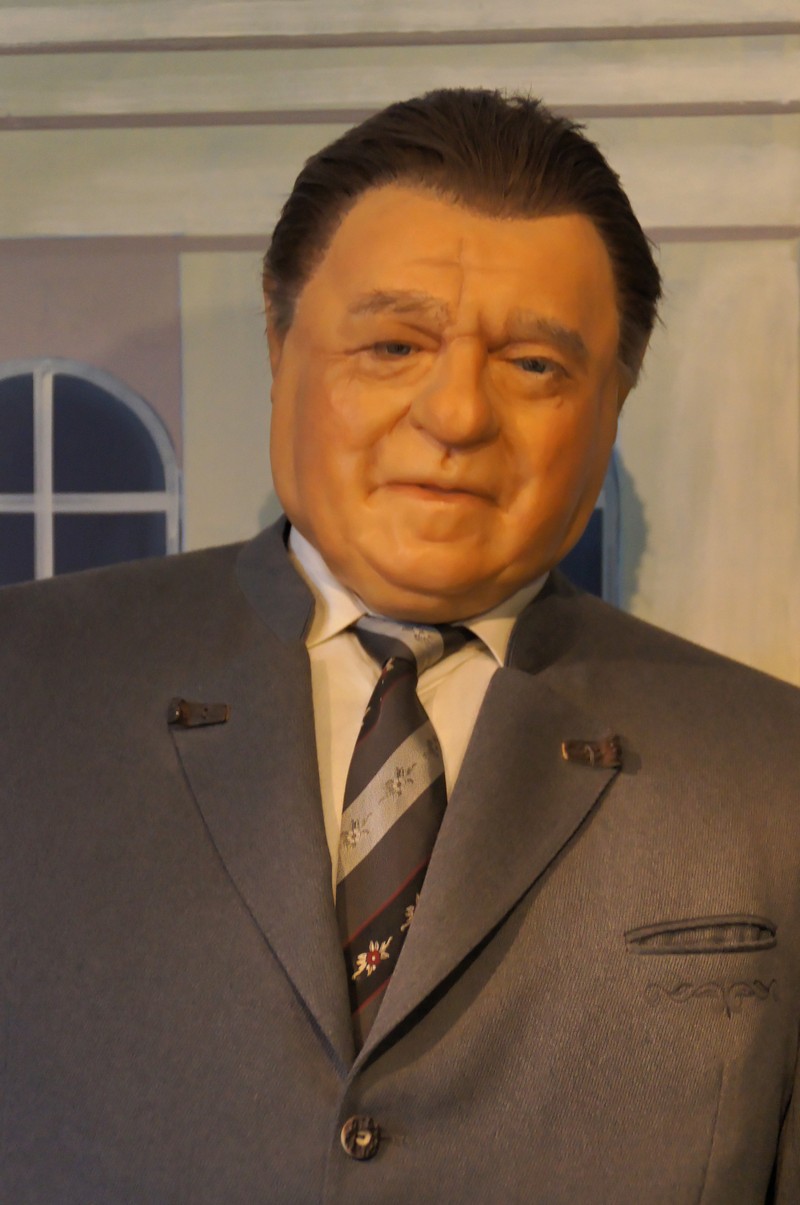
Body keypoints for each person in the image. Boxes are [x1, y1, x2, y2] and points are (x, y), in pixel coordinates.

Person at [1, 88, 798, 1203]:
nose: (456, 414)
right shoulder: (26, 691)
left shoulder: (772, 772)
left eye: (535, 364)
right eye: (392, 344)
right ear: (280, 345)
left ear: (612, 403)